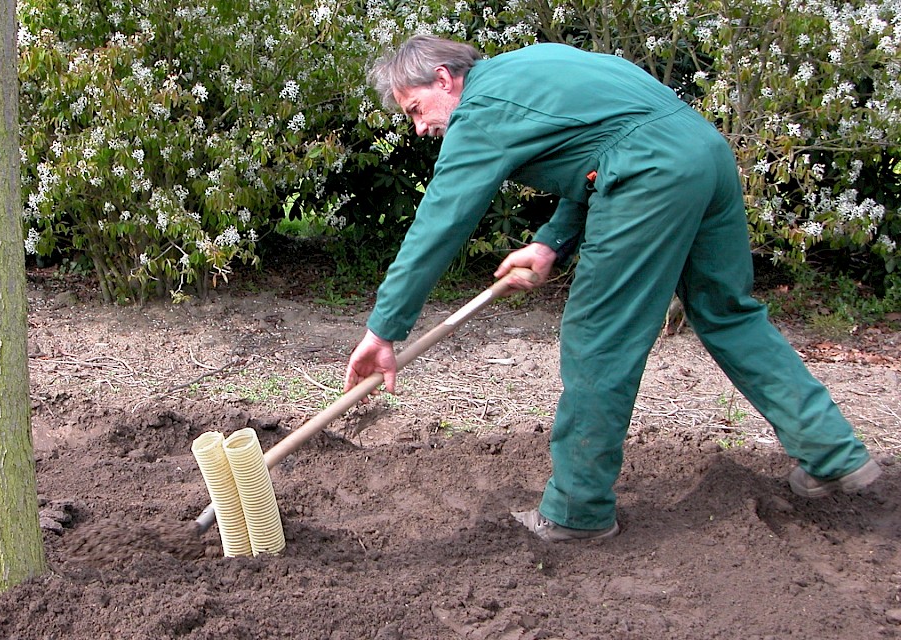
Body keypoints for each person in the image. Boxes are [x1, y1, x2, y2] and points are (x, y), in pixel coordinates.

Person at [343, 35, 881, 542]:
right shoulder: (534, 65)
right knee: (728, 312)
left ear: (443, 79)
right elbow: (607, 145)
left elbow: (440, 223)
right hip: (704, 155)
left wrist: (383, 330)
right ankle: (832, 453)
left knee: (599, 337)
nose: (420, 128)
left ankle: (577, 510)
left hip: (649, 176)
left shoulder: (481, 110)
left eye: (416, 109)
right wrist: (551, 242)